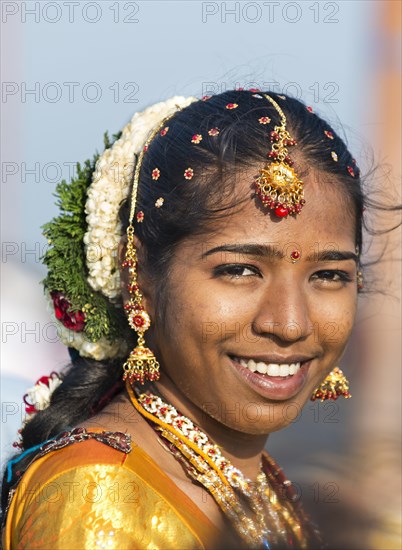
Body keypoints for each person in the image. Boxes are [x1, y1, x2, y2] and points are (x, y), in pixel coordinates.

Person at [1, 89, 371, 549]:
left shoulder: (257, 486)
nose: (291, 323)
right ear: (138, 275)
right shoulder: (100, 495)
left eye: (328, 275)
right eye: (239, 270)